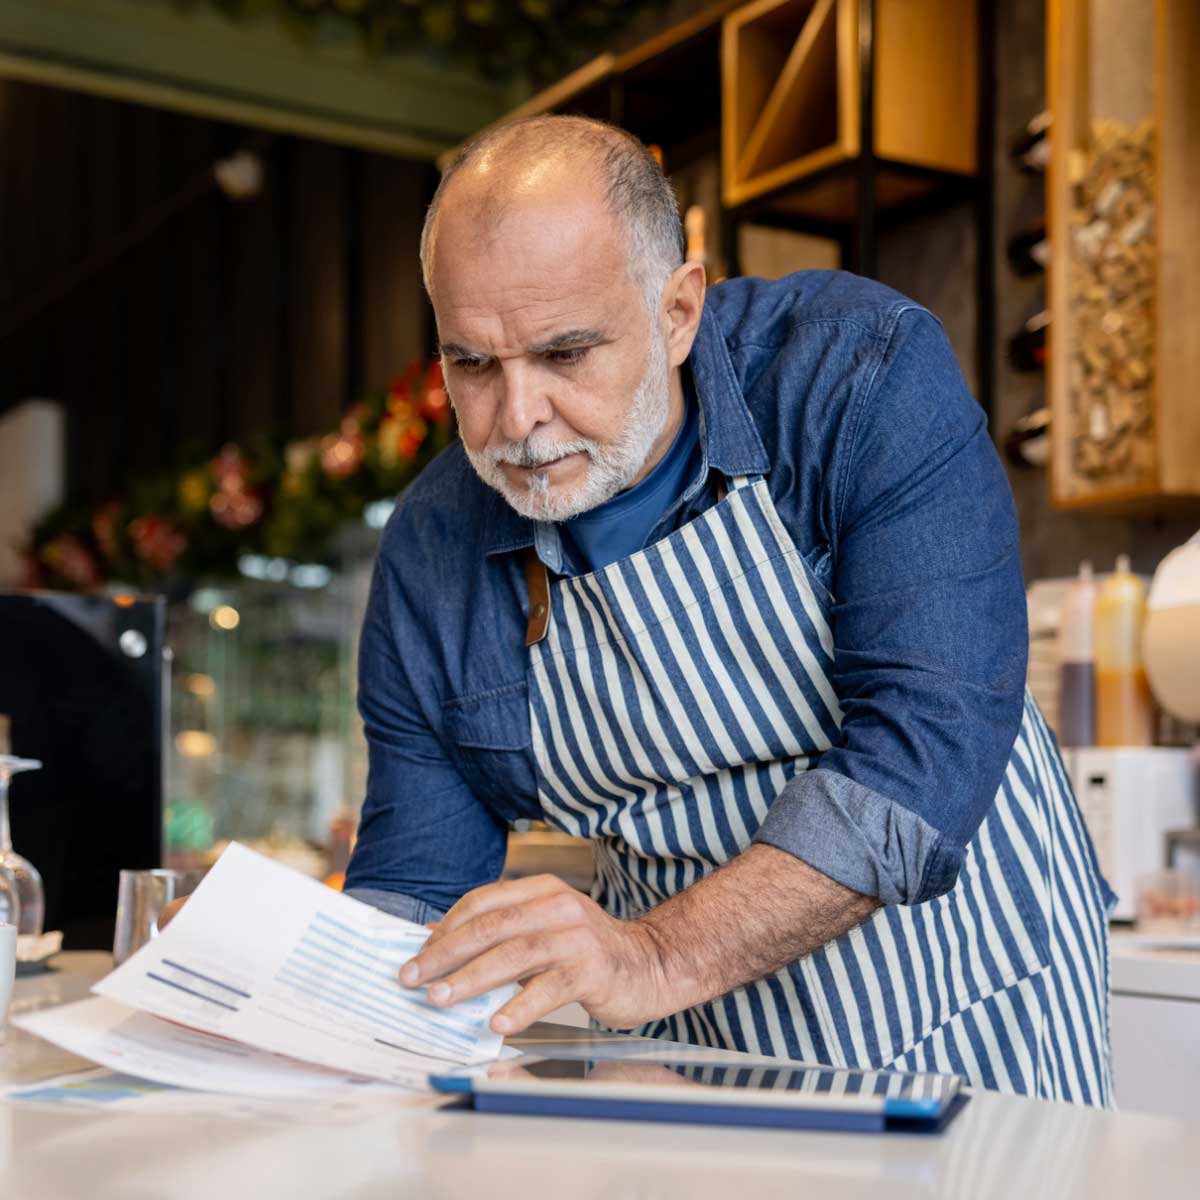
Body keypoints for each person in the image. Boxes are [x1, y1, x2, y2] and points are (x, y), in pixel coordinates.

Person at [343, 115, 1113, 1106]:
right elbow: (417, 888)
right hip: (689, 1053)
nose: (517, 419)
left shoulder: (856, 375)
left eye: (565, 354)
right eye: (474, 365)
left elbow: (924, 748)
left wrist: (656, 955)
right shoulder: (433, 549)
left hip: (966, 1003)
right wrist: (311, 1019)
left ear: (677, 311)